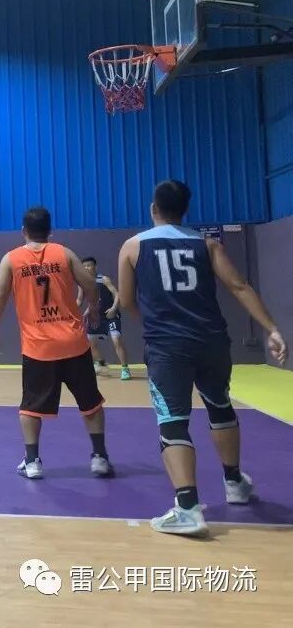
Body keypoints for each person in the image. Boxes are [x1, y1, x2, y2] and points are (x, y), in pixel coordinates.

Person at [118, 180, 287, 536]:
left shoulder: (132, 247)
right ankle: (234, 482)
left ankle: (188, 508)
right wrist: (271, 329)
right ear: (185, 211)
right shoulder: (208, 244)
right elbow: (239, 286)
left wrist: (154, 324)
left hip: (168, 346)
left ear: (153, 209)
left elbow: (128, 301)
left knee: (172, 420)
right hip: (212, 342)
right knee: (220, 406)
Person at [0, 207, 113, 480]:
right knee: (90, 402)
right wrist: (93, 308)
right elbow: (91, 284)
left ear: (23, 231)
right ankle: (100, 457)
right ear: (49, 230)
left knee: (31, 407)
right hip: (73, 343)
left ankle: (32, 461)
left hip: (39, 347)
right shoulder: (64, 253)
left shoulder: (11, 259)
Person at [77, 257, 131, 380]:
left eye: (89, 265)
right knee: (89, 343)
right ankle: (100, 362)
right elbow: (80, 300)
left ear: (95, 267)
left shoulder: (104, 279)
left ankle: (125, 368)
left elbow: (116, 294)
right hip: (95, 317)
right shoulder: (82, 282)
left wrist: (113, 308)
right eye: (84, 266)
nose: (86, 268)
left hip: (110, 315)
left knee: (116, 339)